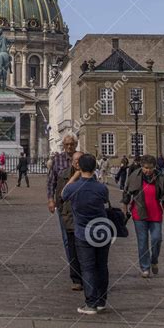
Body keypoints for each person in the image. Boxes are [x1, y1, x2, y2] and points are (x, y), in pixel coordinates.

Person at [62, 154, 110, 315]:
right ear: (95, 167)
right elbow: (104, 200)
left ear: (80, 167)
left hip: (83, 233)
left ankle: (91, 303)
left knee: (88, 267)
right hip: (102, 231)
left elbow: (63, 194)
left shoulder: (73, 188)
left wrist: (76, 175)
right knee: (102, 266)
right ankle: (102, 301)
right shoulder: (102, 188)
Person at [122, 154, 164, 278]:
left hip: (155, 214)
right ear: (141, 166)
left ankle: (154, 260)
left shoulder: (160, 177)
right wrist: (124, 209)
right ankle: (145, 267)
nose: (148, 170)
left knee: (157, 239)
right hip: (139, 213)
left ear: (154, 167)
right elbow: (126, 194)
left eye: (150, 168)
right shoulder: (134, 176)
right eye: (145, 168)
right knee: (143, 241)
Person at [46, 133, 78, 261]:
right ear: (63, 146)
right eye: (67, 144)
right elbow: (51, 181)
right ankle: (73, 265)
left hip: (79, 202)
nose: (69, 147)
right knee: (66, 236)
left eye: (72, 144)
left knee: (80, 234)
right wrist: (50, 200)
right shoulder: (57, 159)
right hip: (63, 203)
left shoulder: (81, 158)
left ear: (76, 144)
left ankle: (81, 262)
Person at [55, 151, 84, 291]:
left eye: (80, 160)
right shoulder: (63, 175)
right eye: (75, 160)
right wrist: (62, 212)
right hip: (69, 217)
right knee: (72, 248)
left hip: (85, 218)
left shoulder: (90, 176)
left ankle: (87, 276)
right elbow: (60, 195)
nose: (77, 162)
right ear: (72, 161)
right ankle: (77, 278)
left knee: (85, 249)